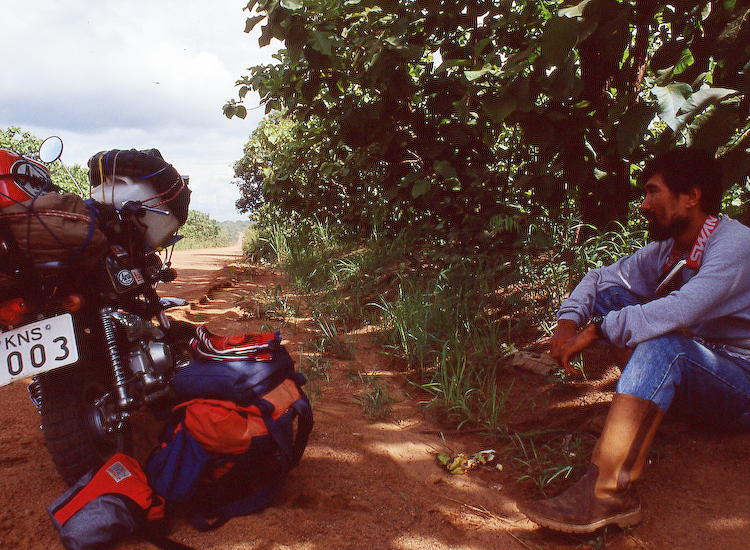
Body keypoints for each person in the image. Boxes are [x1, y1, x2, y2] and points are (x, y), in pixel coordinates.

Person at [519, 148, 750, 533]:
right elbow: (599, 279)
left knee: (662, 343)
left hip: (741, 385)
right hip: (705, 364)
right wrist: (567, 322)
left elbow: (680, 310)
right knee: (613, 297)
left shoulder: (736, 245)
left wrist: (597, 329)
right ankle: (660, 412)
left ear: (690, 196)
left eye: (652, 191)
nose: (643, 204)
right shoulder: (670, 250)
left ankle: (609, 493)